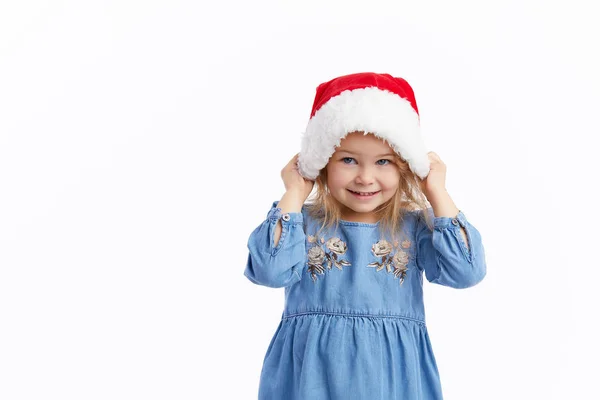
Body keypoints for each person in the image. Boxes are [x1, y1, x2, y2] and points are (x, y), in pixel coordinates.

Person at [243, 72, 487, 399]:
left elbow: (466, 272)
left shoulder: (414, 228)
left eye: (383, 161)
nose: (365, 177)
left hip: (390, 381)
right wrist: (294, 193)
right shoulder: (301, 224)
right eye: (348, 160)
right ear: (322, 163)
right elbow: (269, 271)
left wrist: (437, 192)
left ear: (405, 167)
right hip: (311, 379)